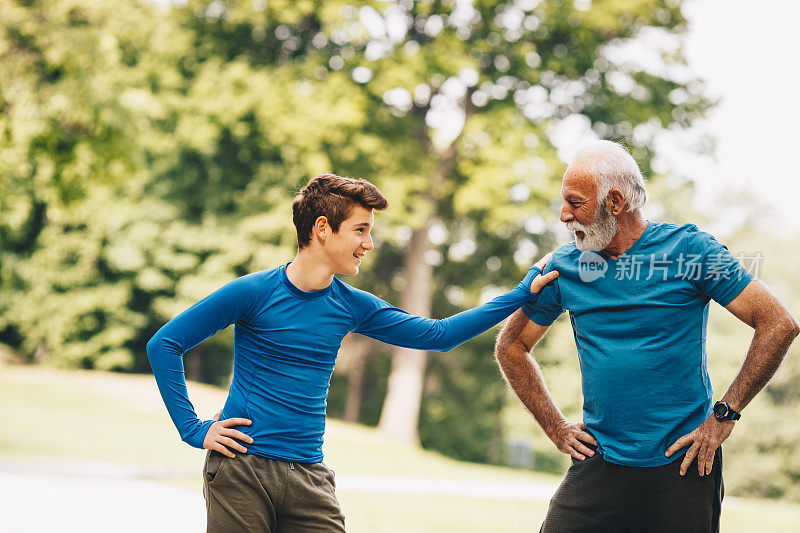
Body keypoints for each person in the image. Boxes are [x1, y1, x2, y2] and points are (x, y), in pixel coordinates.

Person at [147, 173, 558, 532]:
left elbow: (439, 335)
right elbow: (164, 344)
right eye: (360, 230)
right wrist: (194, 429)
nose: (369, 243)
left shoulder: (352, 304)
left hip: (309, 476)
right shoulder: (254, 292)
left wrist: (520, 296)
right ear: (323, 228)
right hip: (242, 469)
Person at [494, 141, 799, 533]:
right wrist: (555, 426)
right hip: (599, 466)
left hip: (684, 467)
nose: (563, 215)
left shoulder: (690, 251)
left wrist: (725, 414)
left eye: (575, 202)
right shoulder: (562, 267)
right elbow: (511, 346)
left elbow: (778, 323)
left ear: (615, 202)